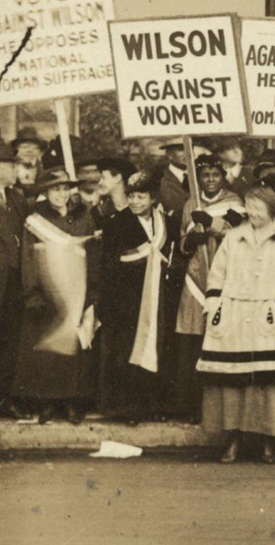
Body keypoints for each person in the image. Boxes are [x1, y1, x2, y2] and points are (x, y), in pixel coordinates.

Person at [196, 186, 275, 464]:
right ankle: (232, 440)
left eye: (258, 208)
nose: (252, 213)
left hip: (265, 313)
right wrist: (214, 307)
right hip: (233, 313)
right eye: (249, 207)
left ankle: (268, 442)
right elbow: (217, 274)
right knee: (231, 381)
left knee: (265, 382)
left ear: (270, 209)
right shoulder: (233, 237)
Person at [11, 168, 98, 425]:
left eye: (64, 189)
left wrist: (93, 291)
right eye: (54, 189)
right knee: (49, 352)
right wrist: (33, 294)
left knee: (75, 349)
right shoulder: (36, 220)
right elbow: (28, 259)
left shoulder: (84, 217)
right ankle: (49, 401)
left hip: (77, 291)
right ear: (45, 192)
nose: (60, 194)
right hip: (47, 293)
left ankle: (72, 402)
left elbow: (93, 253)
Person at [97, 170, 175, 426]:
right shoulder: (116, 223)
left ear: (152, 198)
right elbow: (108, 265)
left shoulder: (165, 223)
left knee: (157, 348)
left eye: (141, 196)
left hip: (157, 299)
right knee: (128, 351)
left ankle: (152, 403)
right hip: (127, 301)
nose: (135, 202)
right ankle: (129, 408)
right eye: (131, 196)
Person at [170, 154, 244, 423]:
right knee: (192, 341)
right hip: (196, 277)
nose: (210, 180)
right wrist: (191, 240)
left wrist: (210, 226)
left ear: (222, 176)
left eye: (215, 175)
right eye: (205, 175)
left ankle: (219, 407)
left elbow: (235, 232)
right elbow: (181, 240)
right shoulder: (192, 202)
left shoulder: (235, 201)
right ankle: (191, 405)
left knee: (220, 340)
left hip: (224, 276)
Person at [0, 145, 28, 419]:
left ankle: (4, 398)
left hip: (12, 283)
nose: (16, 170)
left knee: (9, 342)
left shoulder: (17, 198)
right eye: (11, 164)